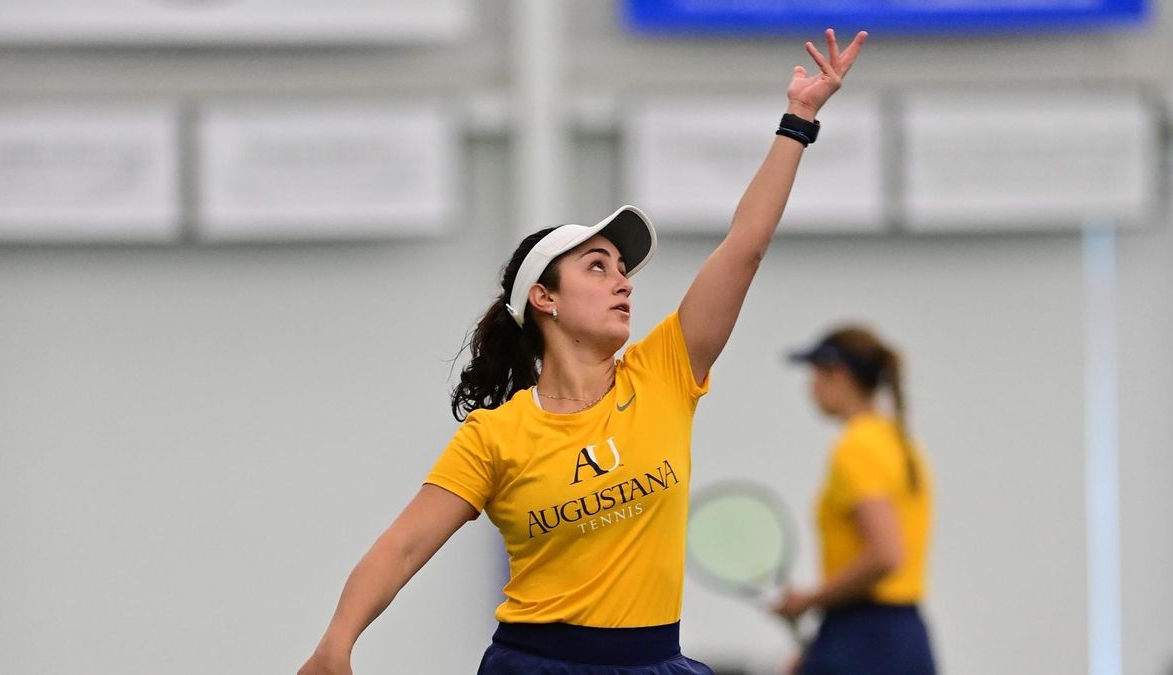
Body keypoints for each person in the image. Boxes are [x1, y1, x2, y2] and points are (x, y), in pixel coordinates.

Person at [298, 28, 868, 675]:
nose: (623, 279)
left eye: (624, 268)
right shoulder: (495, 436)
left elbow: (745, 245)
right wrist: (335, 644)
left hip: (656, 661)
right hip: (536, 663)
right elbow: (401, 547)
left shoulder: (665, 372)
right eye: (598, 266)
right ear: (545, 297)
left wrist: (797, 121)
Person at [775, 326, 937, 675]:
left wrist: (809, 601)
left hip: (866, 637)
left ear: (839, 374)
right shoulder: (898, 441)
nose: (811, 387)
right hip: (904, 638)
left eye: (816, 374)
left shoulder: (856, 448)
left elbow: (885, 555)